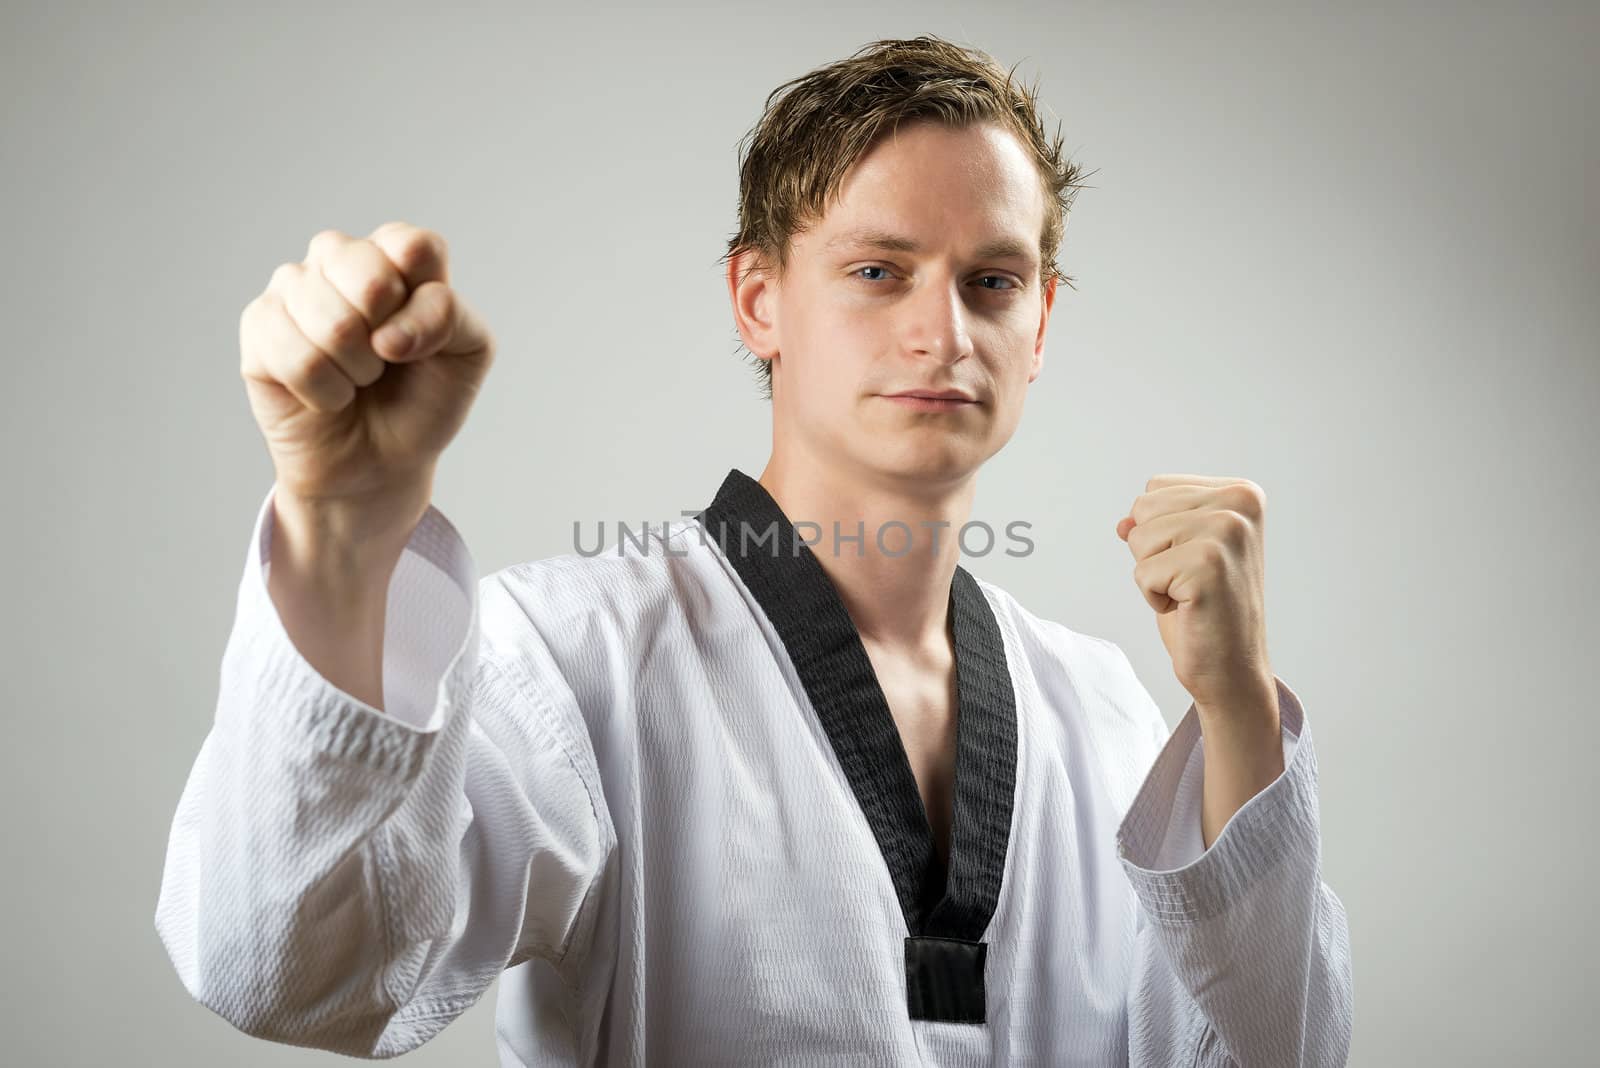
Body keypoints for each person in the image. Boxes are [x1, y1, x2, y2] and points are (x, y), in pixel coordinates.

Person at [154, 34, 1353, 1066]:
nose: (943, 332)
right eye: (877, 272)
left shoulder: (1098, 704)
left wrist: (1236, 706)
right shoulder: (577, 656)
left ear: (1039, 323)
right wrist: (346, 528)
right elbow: (290, 968)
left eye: (991, 281)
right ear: (758, 299)